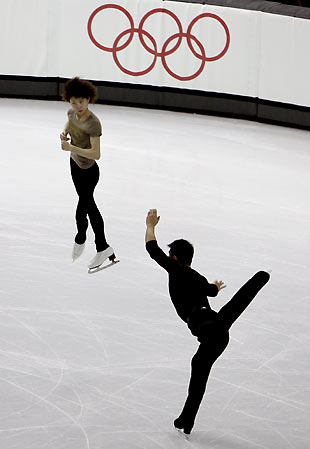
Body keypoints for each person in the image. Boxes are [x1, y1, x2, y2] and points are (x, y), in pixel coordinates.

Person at [145, 209, 270, 435]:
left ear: (174, 257)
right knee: (233, 308)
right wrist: (215, 287)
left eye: (170, 253)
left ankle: (187, 419)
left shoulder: (177, 270)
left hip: (211, 332)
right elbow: (211, 291)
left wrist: (150, 226)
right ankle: (262, 277)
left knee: (199, 368)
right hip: (216, 327)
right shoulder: (198, 278)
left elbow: (152, 250)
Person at [60, 77, 116, 269]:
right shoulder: (71, 113)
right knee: (86, 207)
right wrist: (64, 134)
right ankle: (95, 244)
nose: (77, 106)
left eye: (81, 101)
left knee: (85, 208)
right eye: (74, 102)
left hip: (89, 172)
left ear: (88, 99)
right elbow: (69, 125)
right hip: (74, 167)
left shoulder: (94, 123)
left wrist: (71, 148)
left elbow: (96, 154)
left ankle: (93, 243)